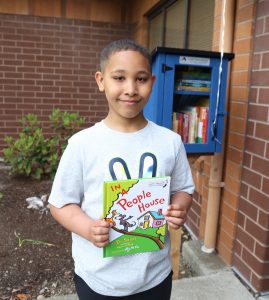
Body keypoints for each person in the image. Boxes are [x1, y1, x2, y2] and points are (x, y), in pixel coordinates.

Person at [48, 39, 195, 300]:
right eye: (119, 77)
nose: (130, 89)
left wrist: (179, 207)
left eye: (140, 79)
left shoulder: (169, 141)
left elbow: (183, 188)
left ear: (151, 81)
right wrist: (87, 228)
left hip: (155, 275)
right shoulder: (83, 144)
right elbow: (60, 203)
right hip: (98, 279)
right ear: (101, 80)